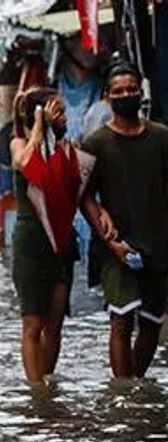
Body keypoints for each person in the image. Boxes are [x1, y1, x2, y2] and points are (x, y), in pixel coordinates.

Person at [81, 64, 168, 379]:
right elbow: (83, 195)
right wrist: (107, 234)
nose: (126, 95)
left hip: (157, 243)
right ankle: (122, 395)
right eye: (118, 91)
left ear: (140, 92)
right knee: (121, 320)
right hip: (115, 246)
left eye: (131, 89)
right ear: (107, 97)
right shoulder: (95, 143)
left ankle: (135, 385)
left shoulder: (161, 137)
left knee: (151, 324)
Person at [11, 88, 89, 384]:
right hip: (31, 244)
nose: (64, 117)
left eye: (63, 111)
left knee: (54, 325)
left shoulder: (67, 148)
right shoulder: (20, 142)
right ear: (39, 114)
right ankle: (37, 394)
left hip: (62, 244)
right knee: (33, 322)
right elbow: (24, 163)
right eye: (57, 111)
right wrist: (39, 127)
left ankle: (47, 382)